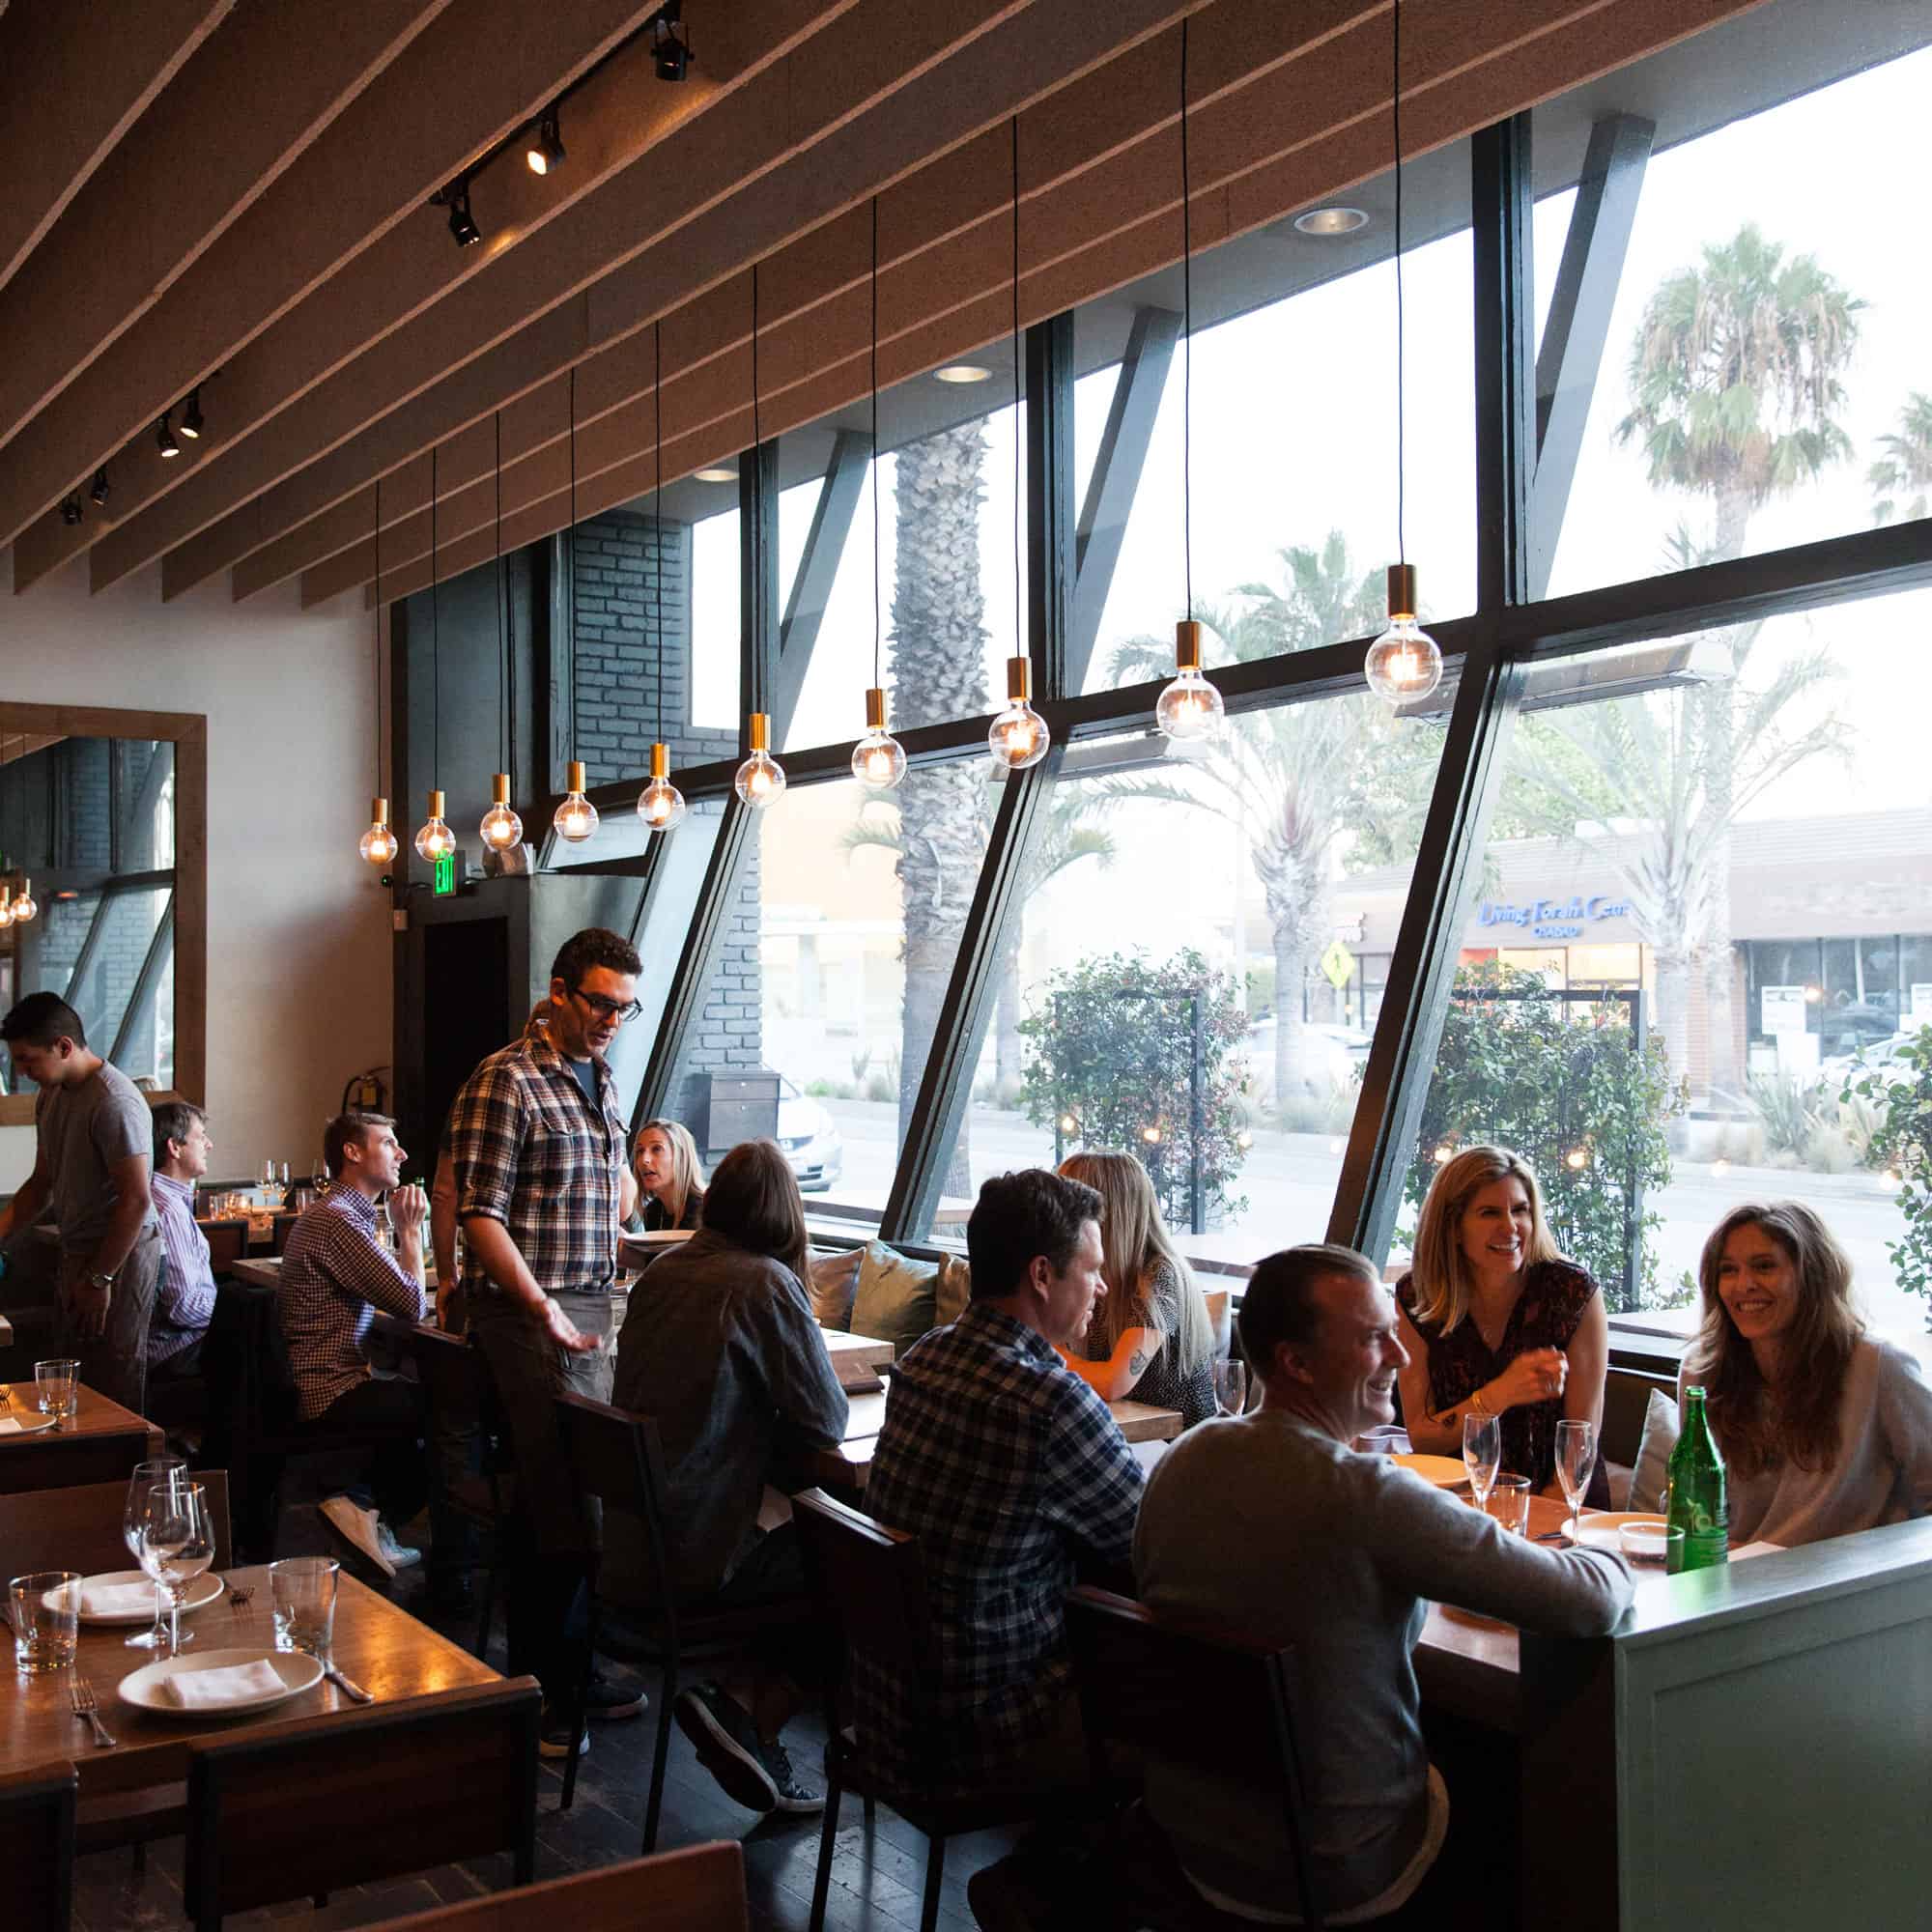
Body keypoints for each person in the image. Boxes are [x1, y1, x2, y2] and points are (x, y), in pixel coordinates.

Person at [1131, 1244, 1634, 1926]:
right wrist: (1610, 1545)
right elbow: (1590, 1600)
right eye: (1374, 1340)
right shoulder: (1366, 1494)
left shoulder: (1181, 1462)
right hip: (1337, 1867)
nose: (1400, 1358)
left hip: (1195, 1844)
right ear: (1296, 1363)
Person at [853, 1168, 1145, 1809]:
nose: (1101, 1287)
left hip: (886, 1706)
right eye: (1091, 1269)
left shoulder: (927, 1355)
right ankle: (1047, 1885)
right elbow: (1148, 1545)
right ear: (1042, 1275)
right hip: (986, 1730)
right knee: (1189, 1730)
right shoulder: (1052, 1403)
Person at [446, 927, 643, 1757]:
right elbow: (478, 1213)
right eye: (601, 1003)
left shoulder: (599, 1076)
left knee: (585, 1495)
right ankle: (541, 1697)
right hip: (532, 1313)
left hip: (594, 1303)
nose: (612, 1021)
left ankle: (573, 1668)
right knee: (556, 1500)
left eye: (626, 1009)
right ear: (559, 991)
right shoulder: (507, 1080)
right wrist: (540, 1307)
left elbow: (619, 1195)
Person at [609, 1138, 847, 1815]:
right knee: (847, 1561)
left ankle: (738, 1708)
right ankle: (746, 1710)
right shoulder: (763, 1283)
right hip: (697, 1555)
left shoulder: (665, 1272)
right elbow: (827, 1418)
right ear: (782, 1211)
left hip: (635, 1545)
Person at [1683, 1201, 1932, 1548]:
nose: (1744, 1285)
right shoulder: (1701, 1375)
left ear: (1812, 1276)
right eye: (1728, 1270)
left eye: (1764, 1266)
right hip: (1725, 1581)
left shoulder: (1879, 1368)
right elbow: (1692, 1505)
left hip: (1839, 1591)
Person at [1394, 1145, 1608, 1500]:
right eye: (1489, 1213)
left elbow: (1580, 1443)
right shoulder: (1418, 1297)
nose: (1510, 1227)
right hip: (1455, 1501)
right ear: (1454, 1227)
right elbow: (1423, 1437)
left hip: (1561, 1500)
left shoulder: (1572, 1293)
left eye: (1520, 1210)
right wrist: (1501, 1393)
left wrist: (1545, 1529)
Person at [278, 1111, 430, 1579]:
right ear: (352, 1152)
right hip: (332, 1388)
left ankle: (368, 1514)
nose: (401, 1153)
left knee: (425, 1396)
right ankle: (360, 1505)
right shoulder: (338, 1220)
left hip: (327, 1378)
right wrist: (409, 1230)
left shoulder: (339, 1215)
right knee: (446, 1413)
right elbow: (410, 1302)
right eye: (388, 1143)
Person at [0, 993, 161, 1415]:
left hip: (120, 1255)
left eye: (28, 1059)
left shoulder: (115, 1101)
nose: (22, 1071)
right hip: (77, 1248)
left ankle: (121, 1477)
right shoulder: (50, 1094)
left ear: (64, 1047)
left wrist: (98, 1279)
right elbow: (40, 1184)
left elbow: (137, 1199)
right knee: (68, 1376)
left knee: (114, 1379)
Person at [1056, 1150, 1215, 1429]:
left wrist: (1046, 1356)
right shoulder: (1097, 1273)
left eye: (1067, 1207)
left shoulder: (1162, 1274)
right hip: (1125, 1434)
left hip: (1177, 1448)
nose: (1057, 1218)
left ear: (1107, 1213)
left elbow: (1113, 1382)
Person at [147, 1100, 218, 1380]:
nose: (209, 1145)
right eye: (200, 1137)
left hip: (174, 1347)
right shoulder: (168, 1209)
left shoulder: (164, 1197)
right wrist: (232, 1309)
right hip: (176, 1351)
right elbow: (184, 1307)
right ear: (174, 1147)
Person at [624, 1118, 705, 1234]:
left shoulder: (704, 1210)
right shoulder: (652, 1212)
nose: (644, 1160)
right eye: (640, 1151)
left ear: (681, 1157)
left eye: (656, 1149)